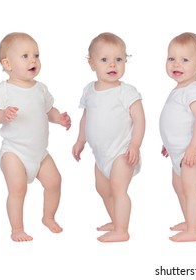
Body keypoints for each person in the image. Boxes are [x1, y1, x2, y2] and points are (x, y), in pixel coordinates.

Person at [0, 32, 71, 242]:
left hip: (40, 153)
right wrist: (2, 115)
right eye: (25, 56)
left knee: (55, 182)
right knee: (18, 188)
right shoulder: (3, 89)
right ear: (8, 63)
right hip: (14, 152)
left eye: (36, 55)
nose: (33, 60)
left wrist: (58, 118)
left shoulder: (40, 89)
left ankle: (48, 217)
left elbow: (48, 110)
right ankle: (17, 229)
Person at [72, 32, 145, 242]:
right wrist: (80, 140)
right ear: (91, 64)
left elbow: (140, 120)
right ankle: (115, 220)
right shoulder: (89, 91)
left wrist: (135, 145)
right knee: (102, 189)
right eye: (104, 60)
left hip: (122, 152)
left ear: (125, 61)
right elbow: (86, 117)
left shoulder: (127, 92)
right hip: (101, 155)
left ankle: (122, 230)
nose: (112, 64)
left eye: (119, 59)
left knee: (118, 189)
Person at [159, 32, 196, 242]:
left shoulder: (194, 90)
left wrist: (193, 147)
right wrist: (169, 143)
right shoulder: (179, 89)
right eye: (171, 58)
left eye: (184, 60)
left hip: (193, 151)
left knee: (190, 189)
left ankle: (194, 230)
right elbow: (177, 121)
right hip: (178, 152)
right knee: (179, 187)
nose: (176, 64)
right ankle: (190, 221)